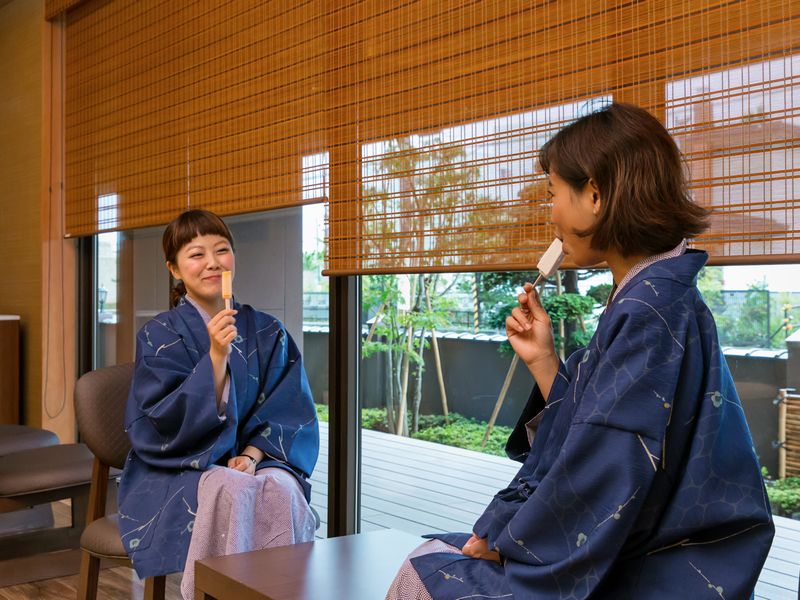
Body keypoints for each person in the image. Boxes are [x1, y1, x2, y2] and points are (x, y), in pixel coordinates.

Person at [386, 103, 774, 599]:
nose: (549, 212)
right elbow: (604, 428)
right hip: (647, 545)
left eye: (553, 194)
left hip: (656, 570)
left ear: (594, 194)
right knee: (433, 551)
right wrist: (544, 361)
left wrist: (506, 539)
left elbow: (608, 464)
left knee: (425, 575)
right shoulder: (653, 295)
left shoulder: (648, 310)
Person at [117, 209, 319, 598]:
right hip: (177, 466)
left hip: (254, 459)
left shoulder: (267, 330)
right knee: (231, 489)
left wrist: (253, 455)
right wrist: (215, 357)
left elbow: (290, 408)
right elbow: (158, 421)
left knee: (281, 487)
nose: (212, 262)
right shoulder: (158, 334)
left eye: (222, 250)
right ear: (174, 270)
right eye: (196, 254)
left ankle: (281, 593)